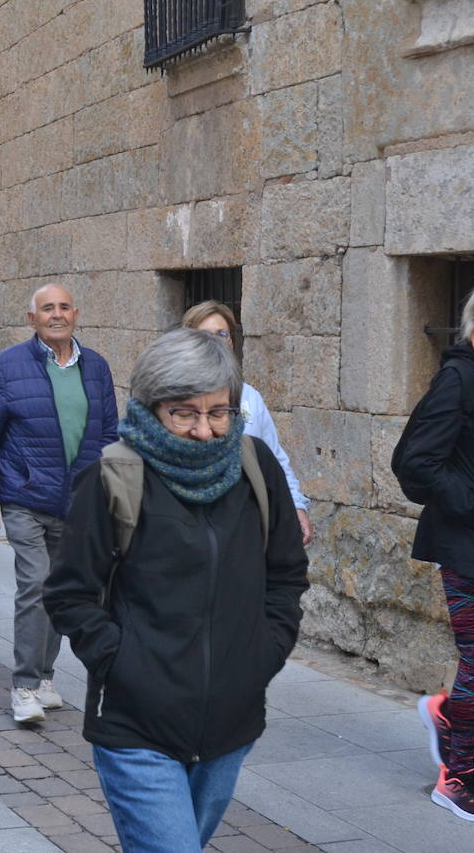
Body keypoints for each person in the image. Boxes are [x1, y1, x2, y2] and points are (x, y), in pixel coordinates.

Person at [46, 328, 308, 851]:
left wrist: (263, 656)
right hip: (136, 721)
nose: (206, 430)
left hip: (230, 723)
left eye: (219, 412)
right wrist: (123, 665)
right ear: (151, 407)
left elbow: (285, 577)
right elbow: (69, 594)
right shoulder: (112, 479)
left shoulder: (257, 469)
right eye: (185, 413)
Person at [394, 261, 474, 825]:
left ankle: (447, 712)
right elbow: (414, 463)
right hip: (471, 544)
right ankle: (455, 778)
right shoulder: (461, 377)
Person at [0, 283, 117, 723]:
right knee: (35, 586)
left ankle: (47, 675)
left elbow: (109, 436)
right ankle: (25, 686)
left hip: (77, 503)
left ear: (76, 314)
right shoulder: (10, 365)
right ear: (31, 318)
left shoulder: (97, 367)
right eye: (47, 308)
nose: (56, 315)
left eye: (64, 307)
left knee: (62, 591)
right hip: (25, 497)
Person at [182, 301, 313, 545]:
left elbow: (274, 457)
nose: (216, 342)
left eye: (222, 334)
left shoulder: (249, 397)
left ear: (231, 342)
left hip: (243, 522)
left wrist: (296, 504)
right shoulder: (170, 397)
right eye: (205, 335)